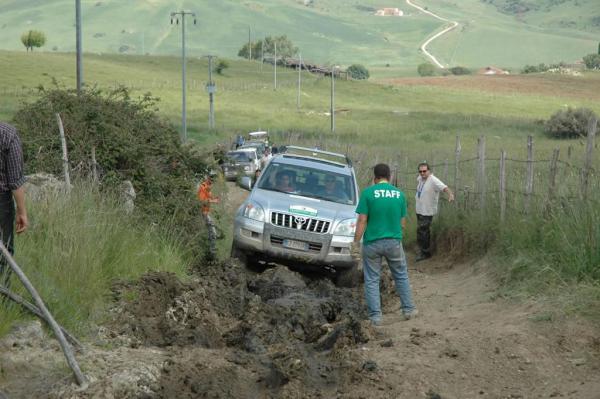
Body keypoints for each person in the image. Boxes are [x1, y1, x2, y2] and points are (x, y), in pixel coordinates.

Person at [353, 163, 416, 326]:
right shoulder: (400, 195)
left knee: (372, 279)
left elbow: (362, 220)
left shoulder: (367, 194)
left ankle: (375, 317)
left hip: (372, 243)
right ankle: (408, 309)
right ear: (390, 177)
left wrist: (355, 242)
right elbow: (402, 223)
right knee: (401, 275)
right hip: (394, 242)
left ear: (374, 178)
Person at [0, 122, 28, 287]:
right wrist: (22, 212)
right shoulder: (8, 134)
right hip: (1, 203)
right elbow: (16, 181)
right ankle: (3, 297)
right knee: (4, 252)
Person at [415, 162, 454, 262]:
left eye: (424, 171)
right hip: (419, 209)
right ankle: (422, 250)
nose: (422, 173)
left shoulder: (433, 180)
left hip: (427, 210)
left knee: (424, 231)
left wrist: (450, 195)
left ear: (429, 171)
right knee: (420, 231)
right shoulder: (420, 179)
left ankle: (425, 253)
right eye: (420, 171)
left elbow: (444, 187)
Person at [197, 171, 220, 260]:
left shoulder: (208, 187)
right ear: (208, 177)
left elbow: (208, 199)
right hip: (203, 213)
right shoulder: (203, 187)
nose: (213, 180)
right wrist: (213, 201)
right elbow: (202, 201)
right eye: (211, 178)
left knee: (209, 233)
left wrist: (214, 199)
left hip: (206, 212)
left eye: (214, 178)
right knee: (213, 232)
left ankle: (209, 252)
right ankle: (212, 253)